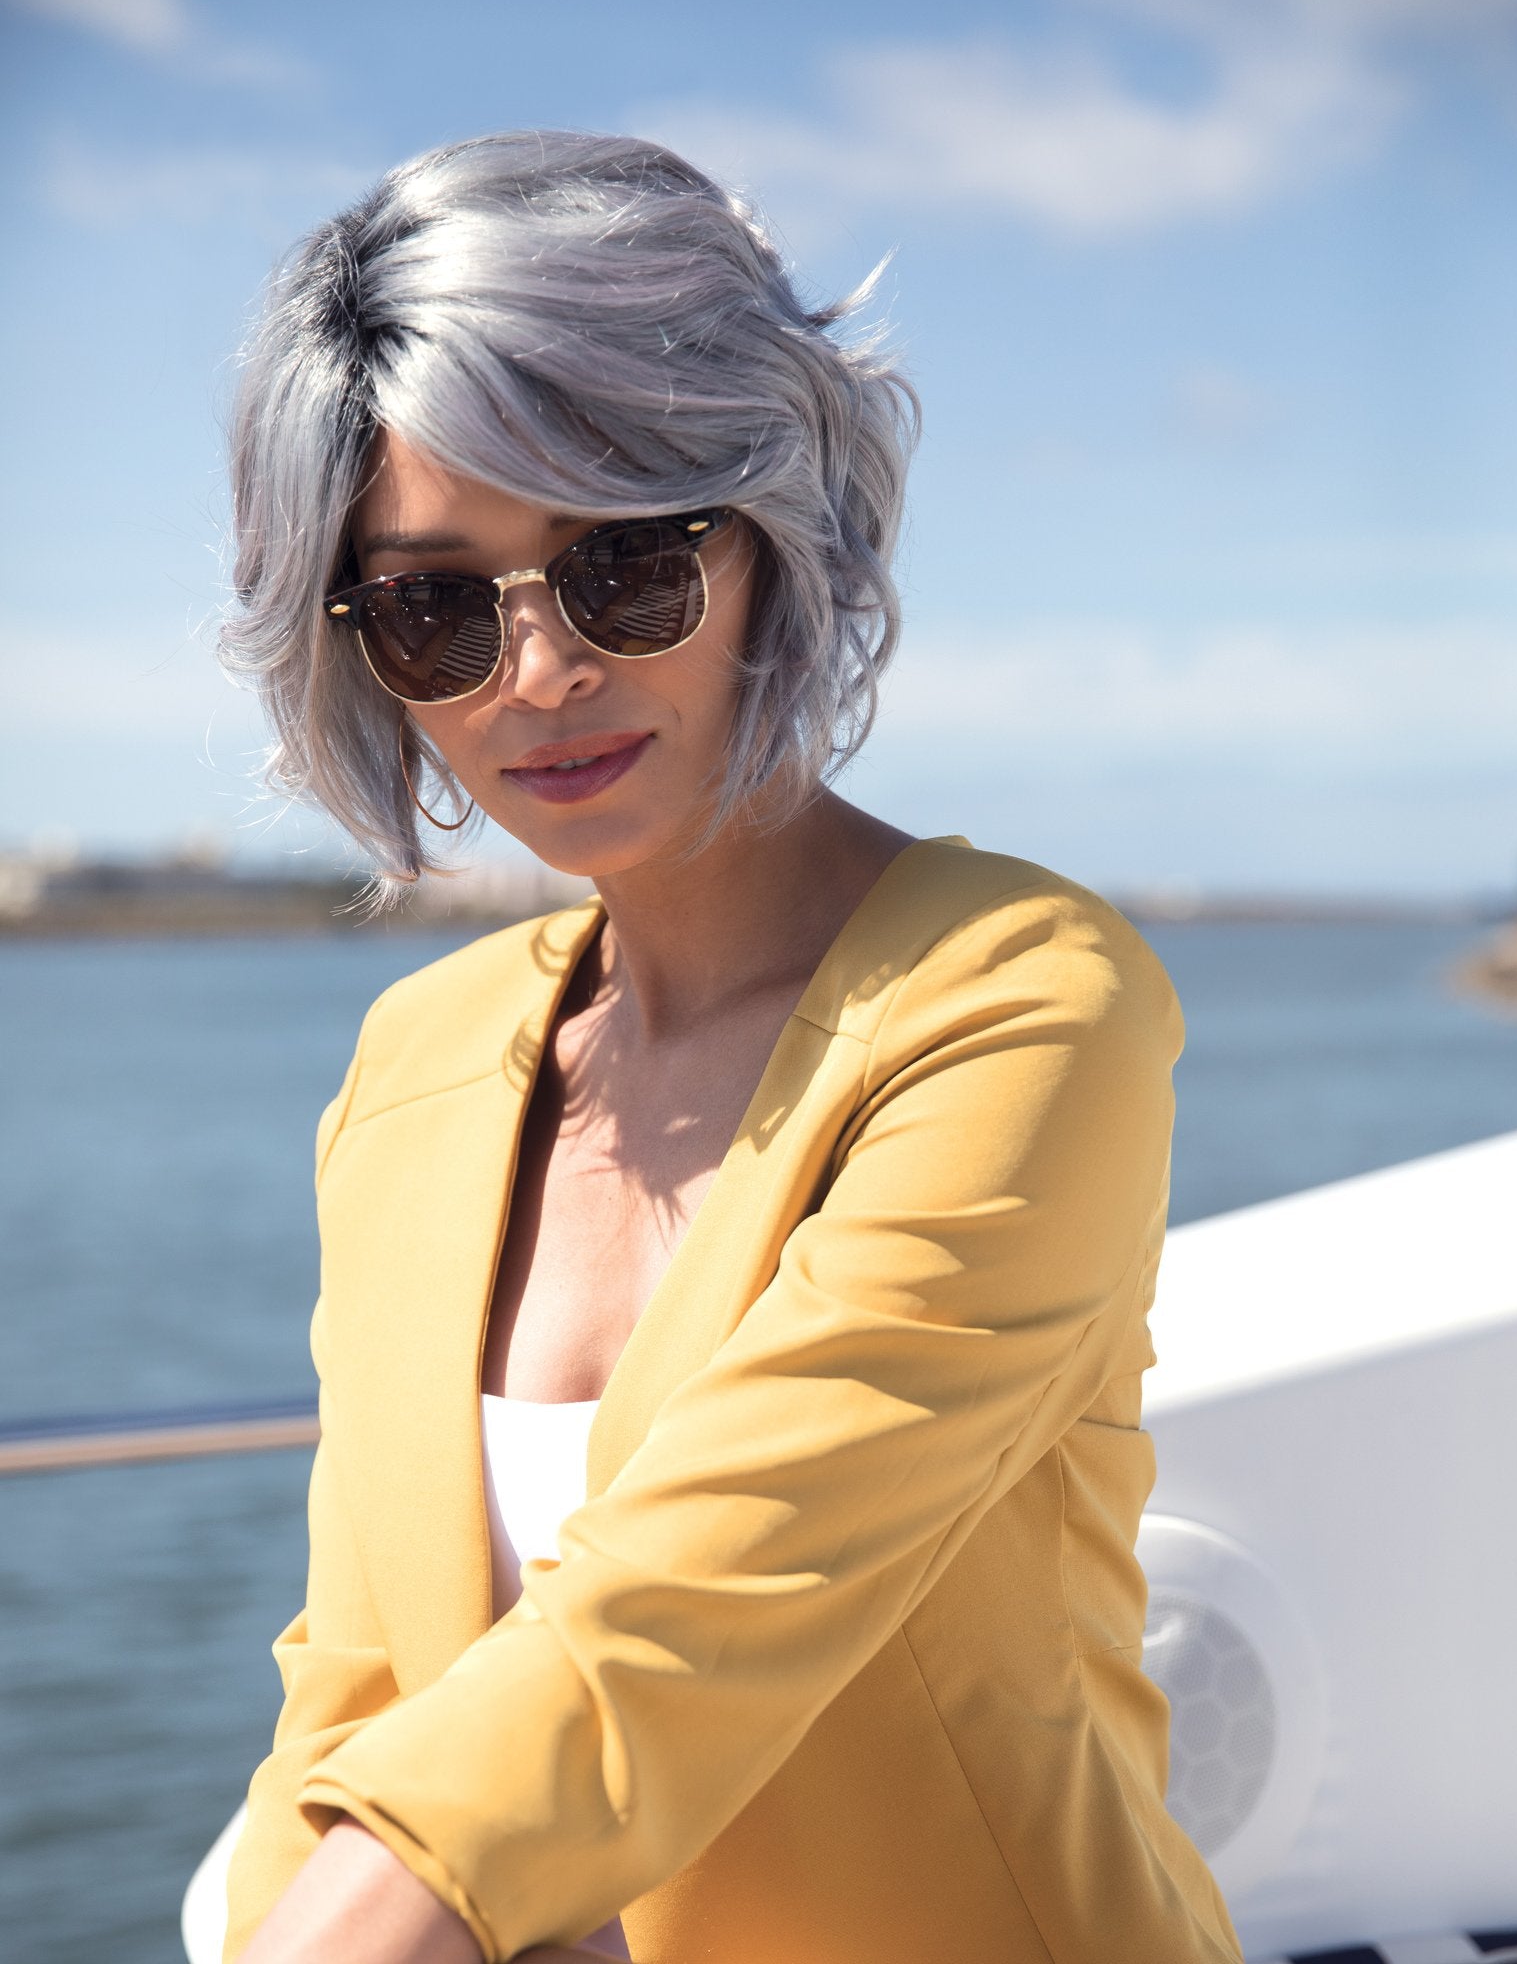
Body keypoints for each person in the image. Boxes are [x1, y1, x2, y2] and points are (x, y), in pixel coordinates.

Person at [215, 129, 1245, 1964]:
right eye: (437, 609)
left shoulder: (1020, 1005)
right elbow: (354, 1680)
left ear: (774, 541)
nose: (540, 673)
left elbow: (688, 1620)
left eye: (623, 567)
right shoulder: (420, 1060)